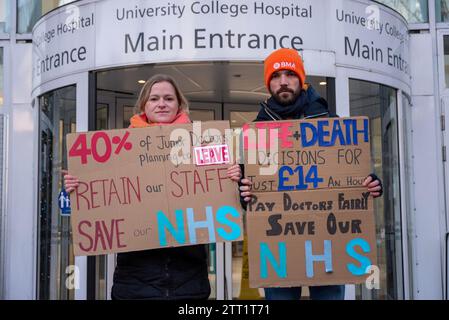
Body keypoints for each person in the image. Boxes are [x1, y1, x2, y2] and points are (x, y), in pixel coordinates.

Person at [64, 74, 243, 300]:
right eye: (154, 98)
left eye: (168, 98)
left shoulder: (202, 143)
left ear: (179, 104)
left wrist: (232, 177)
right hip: (135, 282)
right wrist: (78, 186)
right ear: (143, 106)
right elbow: (103, 197)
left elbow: (217, 189)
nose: (161, 104)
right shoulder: (120, 150)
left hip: (188, 281)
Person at [238, 48, 383, 300]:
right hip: (279, 248)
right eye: (276, 76)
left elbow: (355, 172)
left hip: (328, 245)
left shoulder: (330, 121)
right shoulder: (257, 131)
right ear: (268, 83)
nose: (283, 81)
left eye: (290, 74)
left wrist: (372, 183)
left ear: (301, 79)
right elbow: (247, 191)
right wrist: (245, 191)